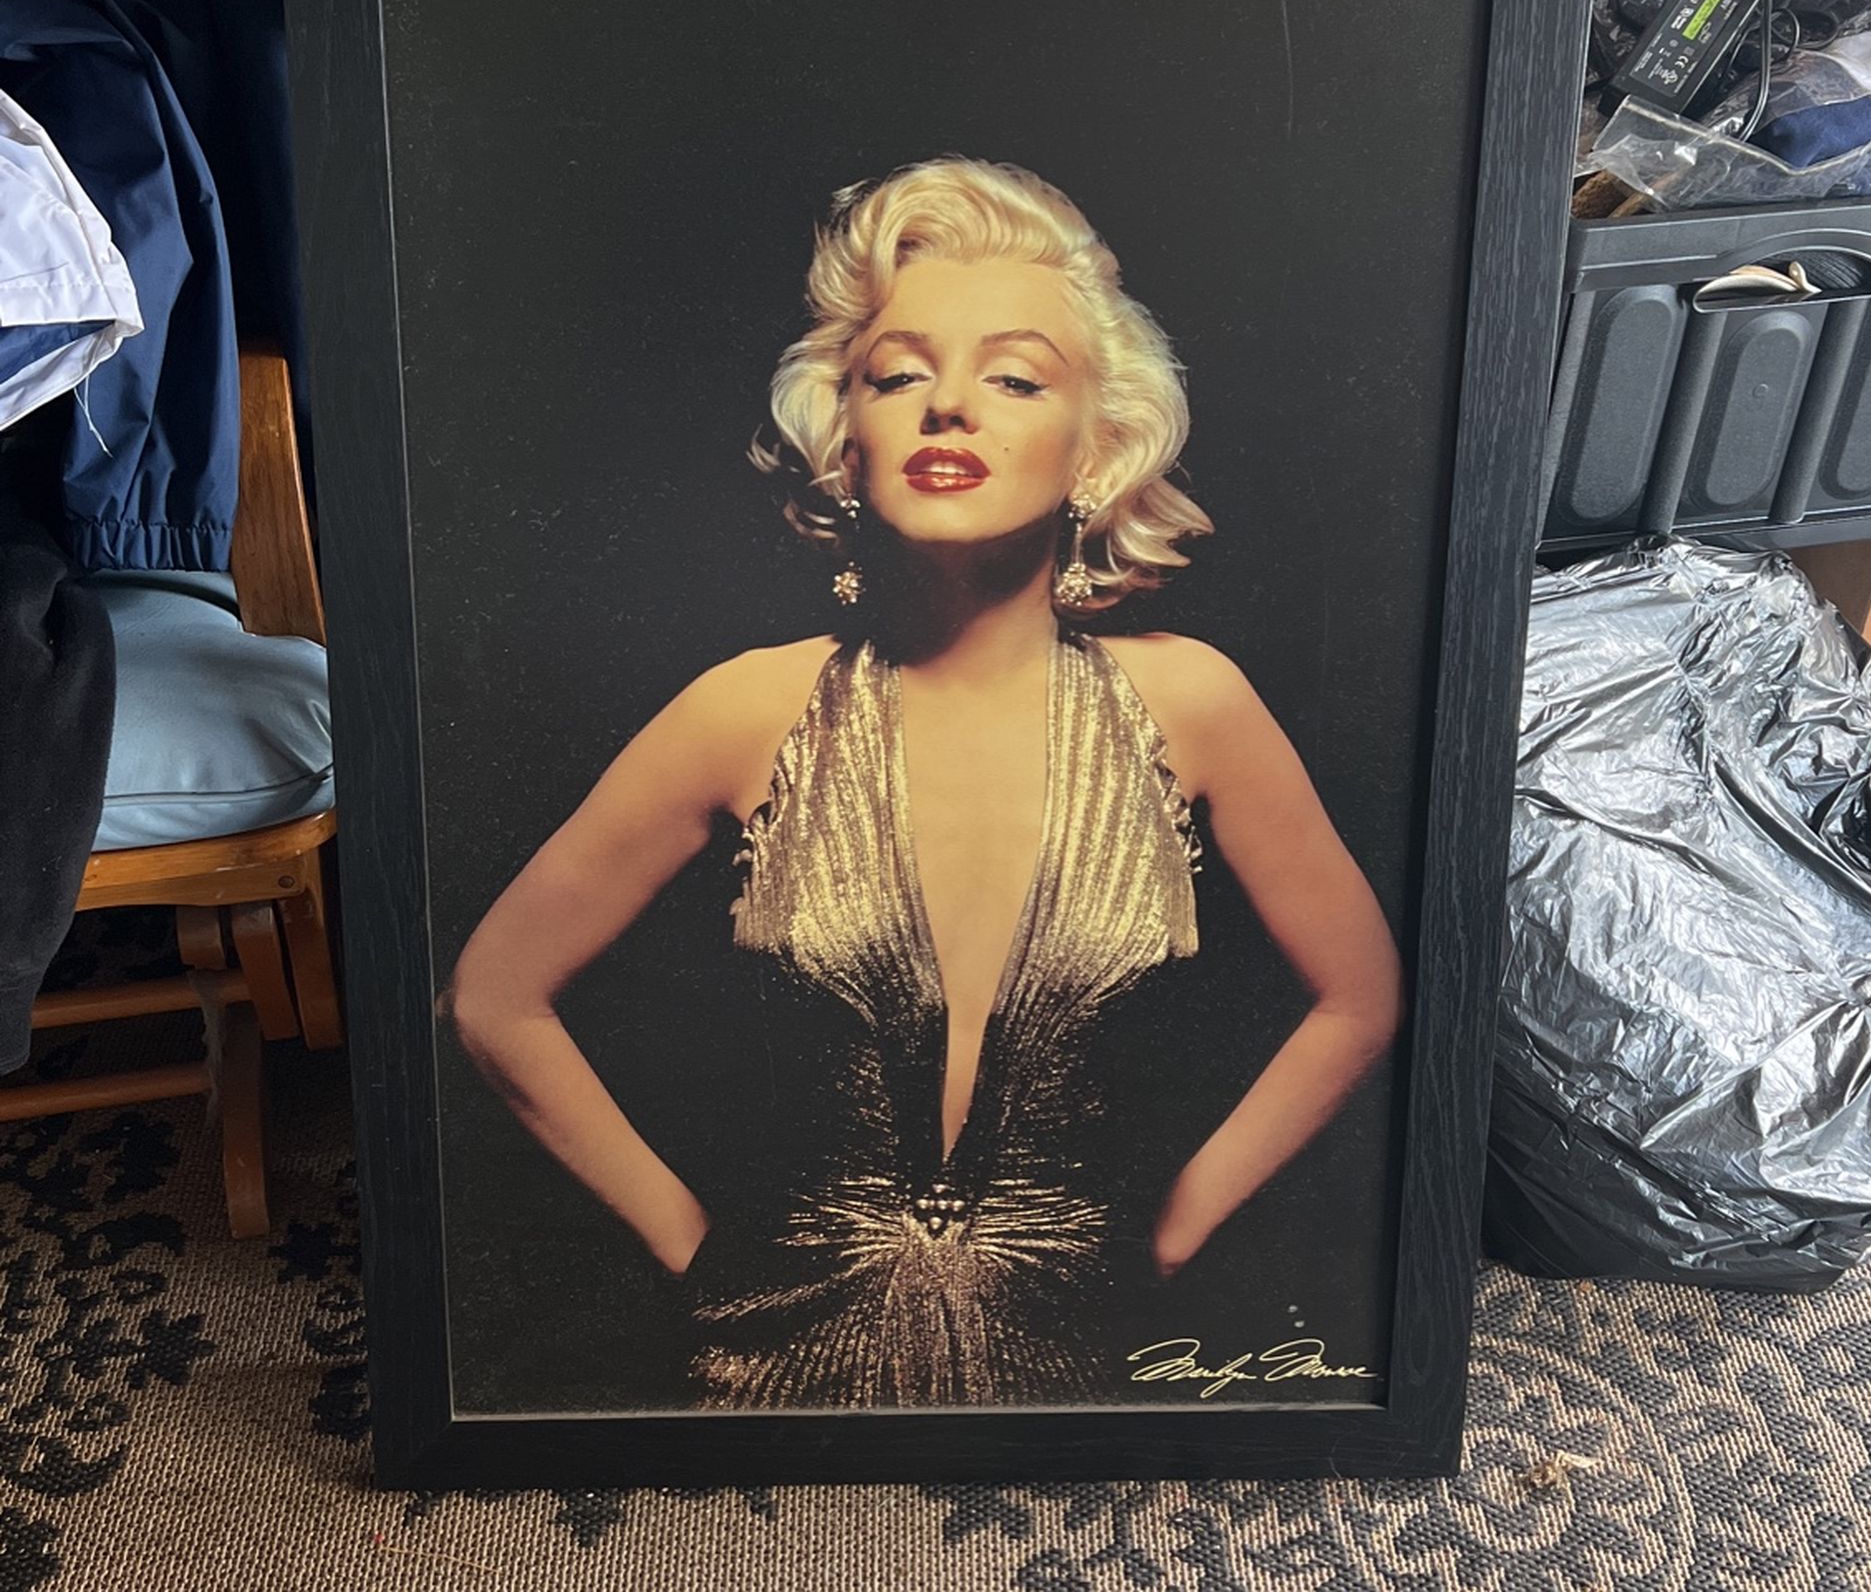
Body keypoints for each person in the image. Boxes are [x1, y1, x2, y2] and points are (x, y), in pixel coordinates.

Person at [446, 156, 1403, 1411]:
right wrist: (694, 1253)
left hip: (1087, 1367)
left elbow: (1360, 997)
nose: (949, 406)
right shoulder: (746, 710)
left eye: (1014, 378)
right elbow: (494, 995)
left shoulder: (1194, 705)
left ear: (1098, 446)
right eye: (899, 376)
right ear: (845, 441)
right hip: (763, 1374)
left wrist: (1172, 1237)